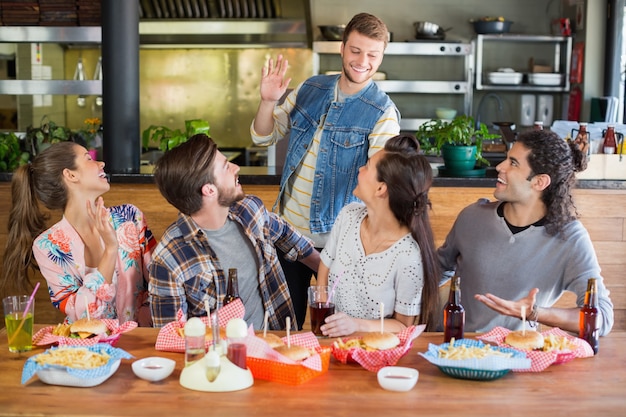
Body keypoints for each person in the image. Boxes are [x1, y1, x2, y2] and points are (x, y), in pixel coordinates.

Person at [251, 12, 401, 329]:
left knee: (331, 330)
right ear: (342, 48)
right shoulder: (311, 88)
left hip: (338, 244)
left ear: (382, 55)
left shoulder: (382, 112)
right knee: (281, 327)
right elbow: (264, 136)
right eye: (356, 50)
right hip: (287, 236)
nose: (363, 61)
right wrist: (267, 102)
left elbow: (380, 184)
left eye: (373, 54)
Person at [437, 129, 614, 335]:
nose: (500, 167)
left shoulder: (570, 238)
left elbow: (602, 316)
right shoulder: (472, 217)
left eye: (513, 163)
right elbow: (435, 271)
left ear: (539, 182)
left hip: (517, 355)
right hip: (452, 347)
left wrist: (536, 313)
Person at [149, 133, 320, 330]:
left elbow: (291, 240)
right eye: (226, 166)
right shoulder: (168, 260)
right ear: (209, 190)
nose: (236, 168)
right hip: (217, 357)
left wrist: (326, 273)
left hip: (274, 344)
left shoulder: (249, 210)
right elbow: (170, 337)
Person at [0, 141, 155, 326]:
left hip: (142, 344)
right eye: (89, 159)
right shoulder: (48, 246)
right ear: (70, 174)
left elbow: (159, 281)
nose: (101, 164)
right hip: (86, 350)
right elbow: (84, 316)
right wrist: (110, 249)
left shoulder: (129, 217)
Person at [315, 134, 440, 337]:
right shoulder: (348, 216)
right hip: (333, 342)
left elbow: (403, 326)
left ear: (381, 188)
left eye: (367, 166)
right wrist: (323, 315)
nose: (359, 169)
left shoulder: (408, 256)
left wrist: (356, 325)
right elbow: (324, 269)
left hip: (374, 351)